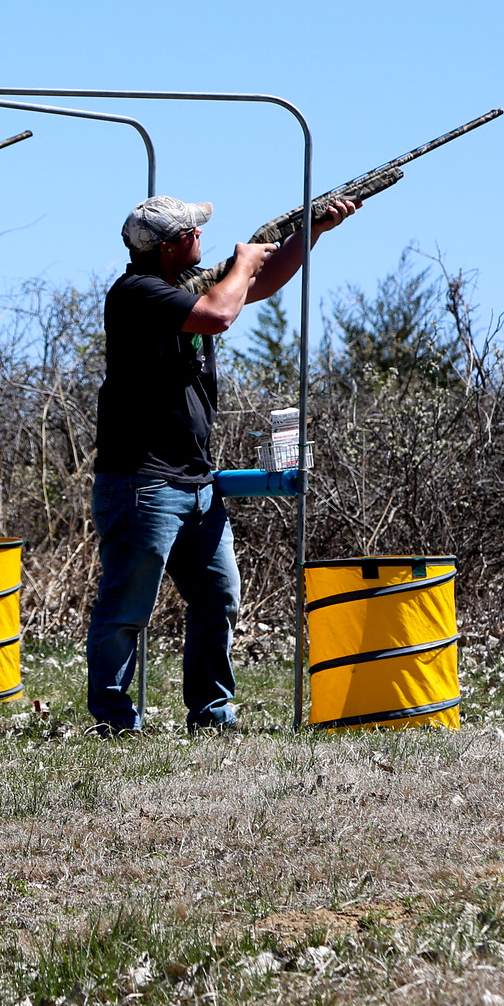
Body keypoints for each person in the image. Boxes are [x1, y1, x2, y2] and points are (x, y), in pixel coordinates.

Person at [88, 193, 356, 734]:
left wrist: (312, 232)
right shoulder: (137, 293)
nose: (201, 237)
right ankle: (114, 723)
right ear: (171, 246)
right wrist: (243, 262)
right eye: (193, 232)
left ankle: (212, 716)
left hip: (195, 479)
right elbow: (220, 314)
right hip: (143, 481)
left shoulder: (179, 287)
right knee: (125, 611)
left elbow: (262, 284)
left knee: (219, 597)